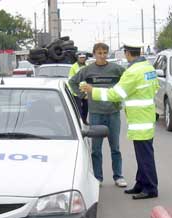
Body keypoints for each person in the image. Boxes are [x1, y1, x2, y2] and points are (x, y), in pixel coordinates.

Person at [80, 43, 159, 199]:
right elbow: (154, 89)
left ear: (127, 53)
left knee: (145, 156)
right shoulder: (148, 68)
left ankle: (150, 188)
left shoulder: (132, 72)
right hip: (146, 116)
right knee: (142, 154)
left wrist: (92, 91)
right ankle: (141, 183)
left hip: (139, 119)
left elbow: (116, 94)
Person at [69, 42, 127, 187]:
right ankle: (98, 178)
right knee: (96, 149)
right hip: (96, 114)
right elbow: (72, 82)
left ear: (107, 53)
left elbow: (127, 81)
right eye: (99, 53)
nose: (102, 56)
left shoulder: (116, 69)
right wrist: (82, 95)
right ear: (94, 54)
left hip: (113, 113)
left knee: (115, 147)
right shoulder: (87, 70)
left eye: (104, 53)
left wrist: (121, 96)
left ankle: (118, 176)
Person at [68, 51, 88, 124]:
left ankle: (84, 120)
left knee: (86, 108)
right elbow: (71, 80)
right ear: (77, 58)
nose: (82, 59)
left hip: (85, 91)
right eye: (81, 58)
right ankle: (79, 123)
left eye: (83, 57)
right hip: (77, 92)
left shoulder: (87, 66)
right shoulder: (74, 67)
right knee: (78, 109)